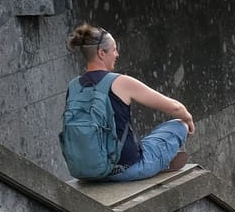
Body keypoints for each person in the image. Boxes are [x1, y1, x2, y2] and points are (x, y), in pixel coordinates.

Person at [61, 23, 194, 182]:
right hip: (127, 170)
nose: (117, 54)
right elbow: (175, 107)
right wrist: (188, 119)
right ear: (101, 53)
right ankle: (163, 160)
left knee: (146, 142)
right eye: (114, 49)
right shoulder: (120, 82)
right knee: (177, 125)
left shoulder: (74, 87)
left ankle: (161, 158)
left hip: (88, 174)